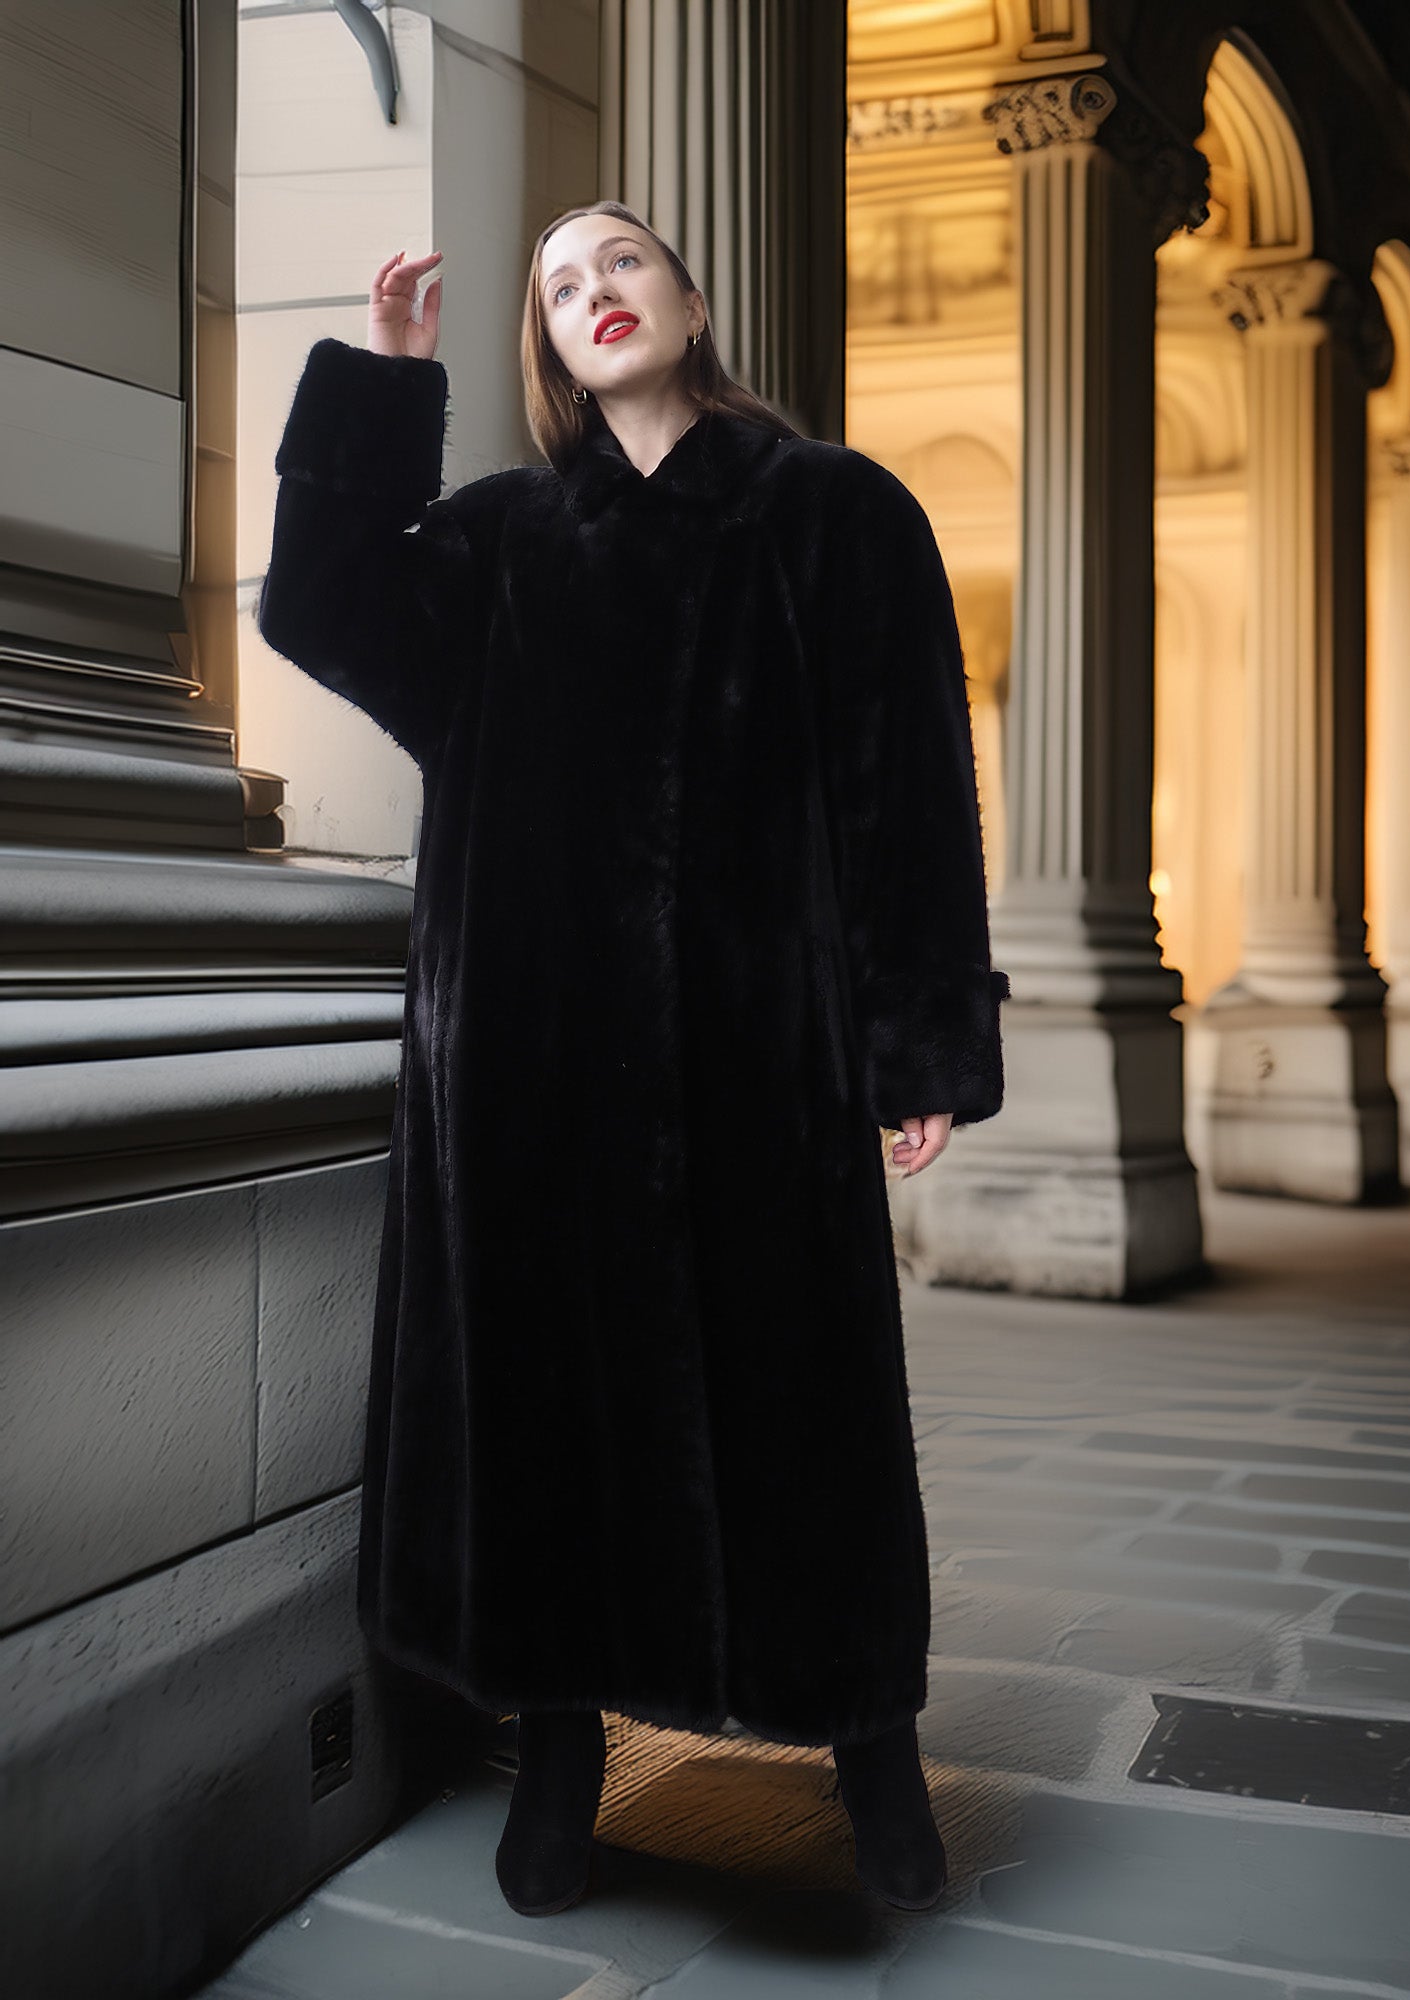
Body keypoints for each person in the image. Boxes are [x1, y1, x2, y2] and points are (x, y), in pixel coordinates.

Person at [257, 203, 1008, 1920]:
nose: (594, 292)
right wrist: (386, 384)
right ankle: (560, 1752)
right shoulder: (502, 540)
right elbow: (322, 603)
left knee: (805, 1406)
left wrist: (913, 1041)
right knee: (545, 1408)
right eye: (559, 284)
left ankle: (870, 1747)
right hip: (528, 1069)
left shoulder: (839, 514)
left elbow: (909, 793)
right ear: (547, 344)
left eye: (621, 263)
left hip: (763, 1062)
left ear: (692, 295)